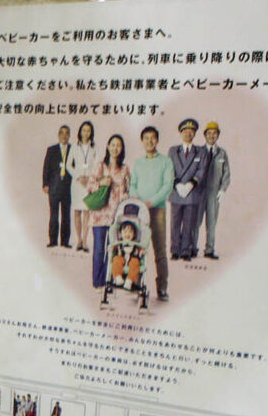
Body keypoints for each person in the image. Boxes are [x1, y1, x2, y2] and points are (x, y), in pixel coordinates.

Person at [131, 125, 173, 302]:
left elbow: (167, 186)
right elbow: (132, 184)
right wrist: (138, 200)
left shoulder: (166, 162)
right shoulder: (138, 163)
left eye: (152, 137)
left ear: (157, 140)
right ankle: (135, 284)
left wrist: (151, 201)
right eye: (146, 138)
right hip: (140, 210)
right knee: (138, 248)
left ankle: (162, 288)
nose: (149, 141)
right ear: (142, 141)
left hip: (158, 210)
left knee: (160, 250)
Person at [87, 134, 129, 292]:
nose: (115, 148)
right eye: (113, 144)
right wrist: (101, 183)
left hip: (116, 216)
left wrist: (124, 201)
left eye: (118, 145)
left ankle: (107, 280)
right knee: (99, 249)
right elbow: (90, 186)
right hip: (99, 215)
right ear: (107, 146)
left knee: (112, 250)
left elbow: (126, 190)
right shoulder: (100, 165)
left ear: (122, 149)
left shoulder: (125, 169)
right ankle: (98, 283)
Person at [169, 119, 209, 262]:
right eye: (185, 131)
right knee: (175, 223)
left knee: (189, 223)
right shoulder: (173, 150)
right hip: (176, 192)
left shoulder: (201, 151)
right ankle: (175, 250)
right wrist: (178, 184)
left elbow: (202, 170)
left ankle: (185, 250)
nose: (188, 133)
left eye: (191, 131)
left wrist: (191, 184)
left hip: (192, 193)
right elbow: (169, 169)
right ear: (181, 133)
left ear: (195, 133)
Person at [67, 121, 99, 254]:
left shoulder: (94, 147)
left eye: (88, 130)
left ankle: (85, 241)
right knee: (77, 212)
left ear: (91, 133)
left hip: (89, 183)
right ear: (80, 131)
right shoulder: (74, 147)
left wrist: (89, 178)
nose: (86, 133)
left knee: (87, 212)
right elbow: (69, 165)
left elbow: (97, 165)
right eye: (84, 130)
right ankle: (78, 240)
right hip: (77, 183)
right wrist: (79, 177)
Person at [202, 122, 231, 259]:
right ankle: (191, 248)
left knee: (211, 222)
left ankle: (209, 249)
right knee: (196, 222)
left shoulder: (222, 153)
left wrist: (223, 190)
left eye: (214, 133)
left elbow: (227, 173)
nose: (211, 136)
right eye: (209, 133)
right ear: (205, 135)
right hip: (199, 192)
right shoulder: (199, 151)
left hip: (214, 193)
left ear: (218, 135)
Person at [42, 126, 73, 248]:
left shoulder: (73, 149)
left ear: (69, 136)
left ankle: (65, 242)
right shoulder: (51, 150)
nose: (64, 136)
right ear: (58, 135)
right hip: (54, 187)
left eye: (67, 134)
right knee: (53, 215)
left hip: (67, 188)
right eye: (62, 133)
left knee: (66, 215)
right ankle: (53, 241)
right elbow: (46, 168)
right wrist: (45, 184)